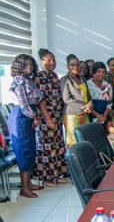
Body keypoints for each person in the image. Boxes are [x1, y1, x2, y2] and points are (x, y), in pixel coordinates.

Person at [8, 54, 55, 198]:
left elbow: (38, 98)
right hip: (20, 118)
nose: (29, 67)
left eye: (30, 65)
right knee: (23, 151)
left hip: (28, 117)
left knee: (29, 150)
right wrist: (35, 116)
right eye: (25, 65)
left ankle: (28, 183)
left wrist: (36, 116)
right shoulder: (19, 81)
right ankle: (24, 188)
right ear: (19, 66)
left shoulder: (28, 80)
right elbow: (23, 104)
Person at [34, 49, 68, 187]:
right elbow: (40, 100)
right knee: (46, 148)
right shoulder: (38, 76)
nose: (52, 62)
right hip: (46, 118)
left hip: (57, 116)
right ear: (42, 61)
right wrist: (48, 118)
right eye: (49, 60)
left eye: (53, 59)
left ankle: (57, 174)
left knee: (58, 146)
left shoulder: (54, 76)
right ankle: (47, 177)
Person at [60, 54, 92, 148]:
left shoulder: (83, 79)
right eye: (72, 65)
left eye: (77, 64)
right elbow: (66, 99)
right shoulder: (65, 80)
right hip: (72, 115)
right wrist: (85, 105)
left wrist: (90, 103)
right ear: (67, 66)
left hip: (85, 113)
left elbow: (88, 95)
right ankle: (74, 162)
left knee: (84, 138)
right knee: (73, 141)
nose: (75, 67)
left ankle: (85, 161)